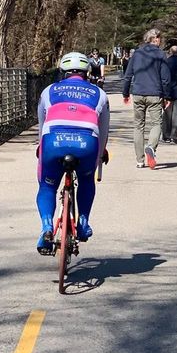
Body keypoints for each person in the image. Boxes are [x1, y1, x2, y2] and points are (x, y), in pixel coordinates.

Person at [36, 52, 110, 254]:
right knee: (86, 180)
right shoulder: (99, 93)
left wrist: (41, 147)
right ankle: (83, 222)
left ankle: (46, 227)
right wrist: (101, 151)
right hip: (87, 143)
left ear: (63, 72)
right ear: (88, 72)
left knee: (47, 185)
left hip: (53, 141)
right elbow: (103, 129)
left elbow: (42, 124)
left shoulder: (48, 90)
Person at [121, 27, 172, 169]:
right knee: (156, 123)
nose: (160, 41)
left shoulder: (137, 54)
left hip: (138, 93)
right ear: (155, 39)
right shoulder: (161, 55)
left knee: (138, 125)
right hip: (155, 94)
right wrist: (167, 96)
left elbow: (128, 75)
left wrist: (125, 93)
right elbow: (165, 79)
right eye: (159, 38)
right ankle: (151, 147)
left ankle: (139, 159)